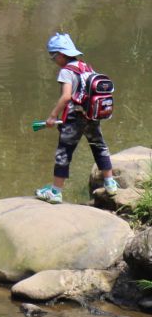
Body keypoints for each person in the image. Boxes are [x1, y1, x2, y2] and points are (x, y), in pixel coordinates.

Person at [35, 32, 119, 204]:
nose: (53, 60)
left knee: (63, 153)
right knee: (99, 147)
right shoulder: (87, 67)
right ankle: (110, 183)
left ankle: (56, 192)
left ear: (61, 54)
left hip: (74, 119)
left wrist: (52, 116)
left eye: (53, 56)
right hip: (92, 115)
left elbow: (66, 97)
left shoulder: (66, 72)